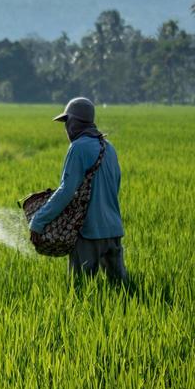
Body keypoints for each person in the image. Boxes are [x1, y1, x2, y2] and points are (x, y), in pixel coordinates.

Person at [29, 97, 127, 281]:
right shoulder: (109, 148)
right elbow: (116, 186)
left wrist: (38, 220)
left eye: (67, 122)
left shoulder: (78, 147)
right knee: (122, 290)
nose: (66, 128)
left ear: (74, 123)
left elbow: (66, 191)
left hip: (88, 233)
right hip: (113, 230)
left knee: (80, 292)